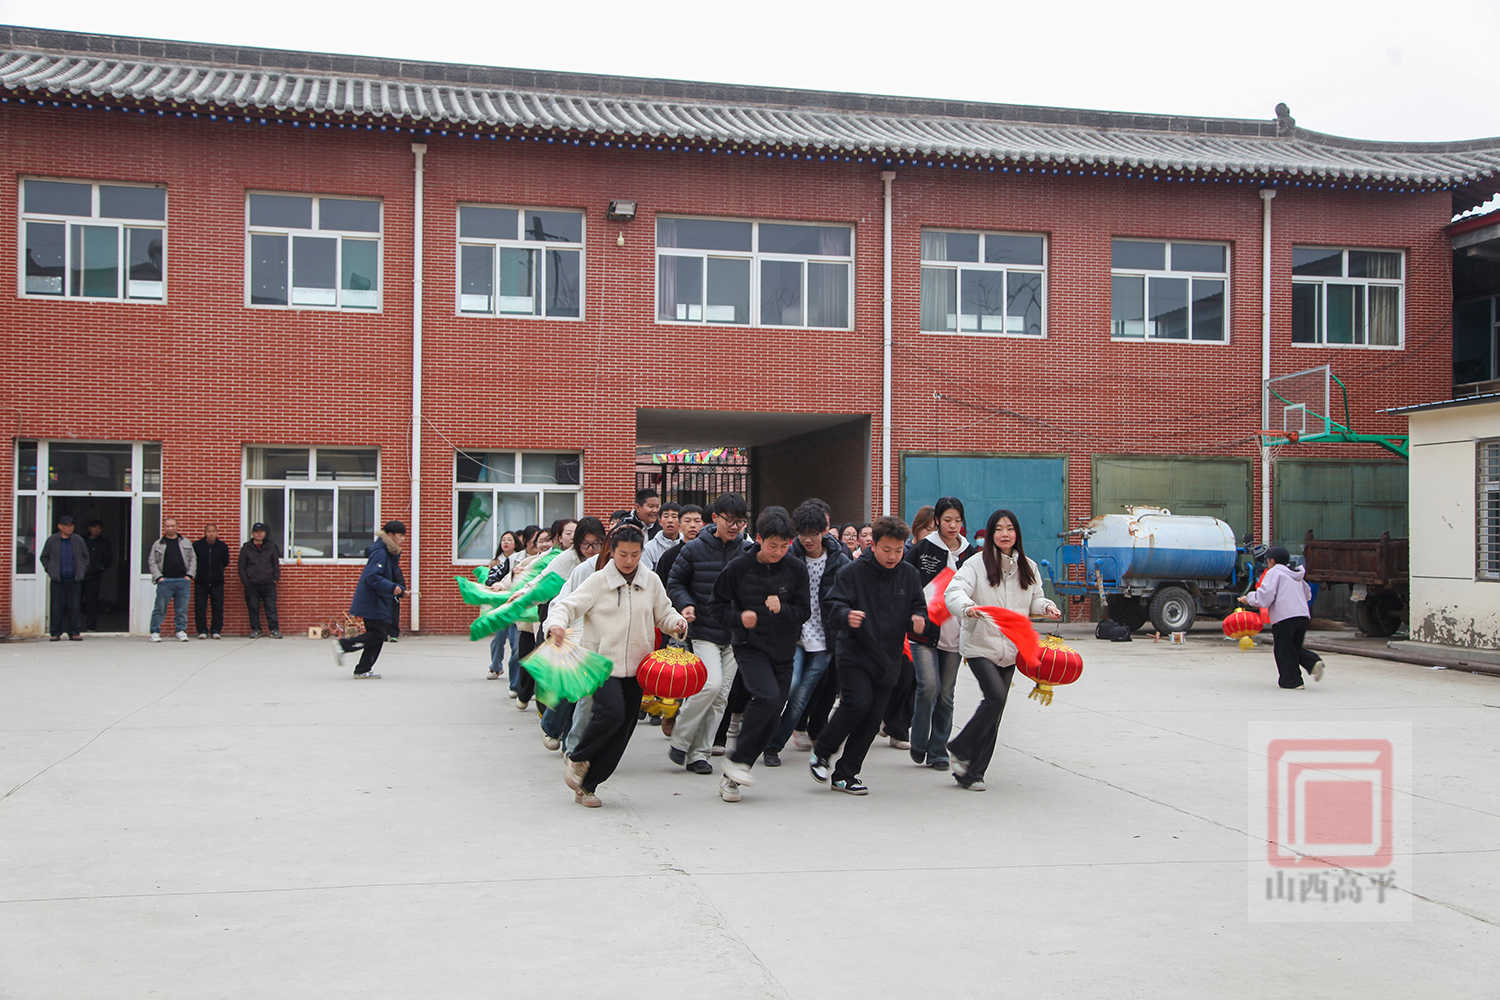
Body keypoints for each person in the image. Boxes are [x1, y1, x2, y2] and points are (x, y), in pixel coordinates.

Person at [545, 525, 688, 807]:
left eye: (635, 554)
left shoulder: (651, 581)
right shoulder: (598, 581)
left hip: (638, 667)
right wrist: (556, 625)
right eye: (623, 554)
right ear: (612, 551)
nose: (629, 560)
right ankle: (577, 757)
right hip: (600, 663)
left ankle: (588, 786)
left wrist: (678, 624)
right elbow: (566, 606)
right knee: (611, 713)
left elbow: (664, 614)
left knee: (624, 728)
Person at [944, 509, 1061, 790]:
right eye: (998, 529)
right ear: (990, 534)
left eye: (1009, 528)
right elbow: (954, 592)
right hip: (980, 644)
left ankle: (973, 773)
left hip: (1011, 648)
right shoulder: (976, 564)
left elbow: (1034, 600)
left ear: (1017, 533)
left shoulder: (1028, 567)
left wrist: (1046, 607)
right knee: (995, 698)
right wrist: (967, 607)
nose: (1005, 534)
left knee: (995, 712)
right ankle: (960, 746)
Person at [810, 517, 927, 795]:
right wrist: (845, 615)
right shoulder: (852, 572)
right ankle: (822, 752)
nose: (893, 556)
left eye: (898, 550)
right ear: (872, 545)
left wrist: (918, 618)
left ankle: (845, 774)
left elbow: (918, 605)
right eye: (886, 549)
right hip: (855, 652)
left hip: (889, 657)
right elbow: (833, 605)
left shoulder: (909, 575)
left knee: (873, 719)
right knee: (856, 703)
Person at [711, 506, 810, 801]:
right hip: (750, 646)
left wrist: (783, 608)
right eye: (772, 545)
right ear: (759, 539)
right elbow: (716, 607)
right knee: (766, 697)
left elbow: (804, 611)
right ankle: (736, 759)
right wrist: (739, 618)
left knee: (772, 712)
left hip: (784, 649)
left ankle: (735, 774)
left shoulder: (795, 569)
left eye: (784, 546)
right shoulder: (738, 568)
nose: (778, 552)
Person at [667, 493, 751, 775]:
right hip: (703, 630)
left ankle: (699, 754)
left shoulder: (747, 552)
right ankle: (680, 741)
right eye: (730, 520)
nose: (735, 526)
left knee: (721, 697)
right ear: (715, 518)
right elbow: (675, 582)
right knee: (710, 685)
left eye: (740, 521)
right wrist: (685, 604)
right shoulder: (694, 549)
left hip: (735, 634)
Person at [764, 500, 850, 765]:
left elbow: (848, 596)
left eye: (813, 533)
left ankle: (773, 746)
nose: (808, 539)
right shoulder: (789, 558)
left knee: (802, 695)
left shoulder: (840, 561)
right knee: (789, 686)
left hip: (825, 639)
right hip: (795, 633)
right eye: (803, 534)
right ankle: (763, 735)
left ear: (824, 531)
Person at [900, 497, 978, 768]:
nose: (952, 526)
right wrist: (912, 612)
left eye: (957, 521)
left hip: (955, 633)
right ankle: (919, 740)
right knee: (928, 686)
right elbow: (904, 579)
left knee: (946, 693)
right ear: (937, 521)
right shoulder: (923, 549)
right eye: (947, 520)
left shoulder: (970, 554)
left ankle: (938, 751)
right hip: (924, 631)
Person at [539, 517, 606, 750]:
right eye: (586, 545)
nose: (591, 550)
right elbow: (554, 594)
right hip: (569, 629)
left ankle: (569, 741)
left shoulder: (608, 565)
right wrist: (552, 626)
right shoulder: (574, 565)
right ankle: (555, 729)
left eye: (596, 544)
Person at [1239, 546, 1325, 690]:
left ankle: (1292, 681)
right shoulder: (1296, 573)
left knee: (1283, 650)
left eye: (1268, 561)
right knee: (1293, 647)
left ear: (1272, 561)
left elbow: (1265, 596)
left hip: (1284, 617)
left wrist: (1249, 598)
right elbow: (1308, 594)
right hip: (1302, 616)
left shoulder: (1274, 573)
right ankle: (1311, 664)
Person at [335, 520, 408, 678]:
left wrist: (400, 590)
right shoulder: (380, 552)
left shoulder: (389, 552)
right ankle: (344, 645)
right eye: (400, 535)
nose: (402, 539)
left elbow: (391, 575)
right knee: (377, 634)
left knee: (378, 635)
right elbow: (372, 577)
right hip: (373, 600)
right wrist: (392, 587)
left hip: (380, 599)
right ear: (390, 535)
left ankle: (362, 669)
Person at [510, 526, 550, 709]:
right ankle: (524, 694)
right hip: (528, 619)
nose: (545, 544)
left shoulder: (559, 561)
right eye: (540, 541)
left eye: (548, 540)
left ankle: (540, 700)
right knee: (525, 657)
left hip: (545, 619)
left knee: (541, 659)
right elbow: (513, 580)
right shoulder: (529, 562)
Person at [39, 514, 89, 641]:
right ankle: (55, 632)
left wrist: (81, 570)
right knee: (57, 606)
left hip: (74, 579)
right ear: (60, 527)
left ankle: (74, 632)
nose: (69, 528)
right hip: (58, 580)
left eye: (71, 525)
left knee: (75, 606)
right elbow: (44, 557)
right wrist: (50, 570)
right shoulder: (52, 540)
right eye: (66, 526)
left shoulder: (78, 540)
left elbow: (85, 557)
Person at [147, 517, 197, 642]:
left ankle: (181, 631)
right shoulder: (158, 544)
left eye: (172, 526)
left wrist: (189, 576)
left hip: (182, 581)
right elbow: (152, 561)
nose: (170, 528)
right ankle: (155, 631)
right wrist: (159, 577)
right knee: (160, 608)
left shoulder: (186, 542)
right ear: (164, 528)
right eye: (168, 526)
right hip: (165, 581)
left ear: (177, 527)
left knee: (182, 609)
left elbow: (193, 559)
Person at [238, 522, 281, 638]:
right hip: (252, 584)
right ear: (252, 534)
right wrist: (246, 582)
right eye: (256, 532)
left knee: (271, 608)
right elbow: (241, 567)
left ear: (265, 533)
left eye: (261, 532)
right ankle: (256, 629)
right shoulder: (246, 548)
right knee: (253, 608)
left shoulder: (271, 546)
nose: (259, 534)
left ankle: (274, 630)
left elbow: (275, 564)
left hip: (268, 583)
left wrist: (275, 578)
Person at [486, 531, 518, 680]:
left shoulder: (519, 560)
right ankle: (495, 667)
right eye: (503, 540)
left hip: (514, 606)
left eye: (509, 540)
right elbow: (489, 581)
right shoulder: (496, 562)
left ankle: (516, 672)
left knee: (514, 641)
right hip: (500, 606)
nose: (505, 542)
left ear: (515, 543)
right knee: (498, 639)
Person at [192, 524, 231, 639]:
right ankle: (202, 631)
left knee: (217, 607)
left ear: (217, 533)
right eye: (209, 531)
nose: (211, 533)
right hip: (201, 581)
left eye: (213, 531)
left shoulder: (222, 546)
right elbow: (193, 561)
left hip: (217, 581)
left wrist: (217, 570)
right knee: (200, 607)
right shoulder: (197, 545)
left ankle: (216, 630)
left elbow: (225, 562)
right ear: (205, 533)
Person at [653, 504, 703, 590]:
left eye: (697, 521)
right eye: (687, 521)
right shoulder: (668, 556)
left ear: (703, 524)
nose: (692, 525)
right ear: (679, 525)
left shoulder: (710, 552)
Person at [81, 519, 113, 631]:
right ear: (89, 528)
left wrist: (101, 567)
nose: (96, 530)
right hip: (80, 574)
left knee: (92, 601)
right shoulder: (82, 541)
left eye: (98, 528)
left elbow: (109, 557)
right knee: (75, 600)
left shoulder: (104, 542)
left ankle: (91, 626)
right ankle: (74, 626)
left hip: (94, 575)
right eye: (94, 527)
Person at [643, 502, 682, 570]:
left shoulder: (687, 545)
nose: (670, 520)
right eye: (666, 516)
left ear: (681, 521)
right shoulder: (649, 548)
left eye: (674, 516)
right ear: (660, 520)